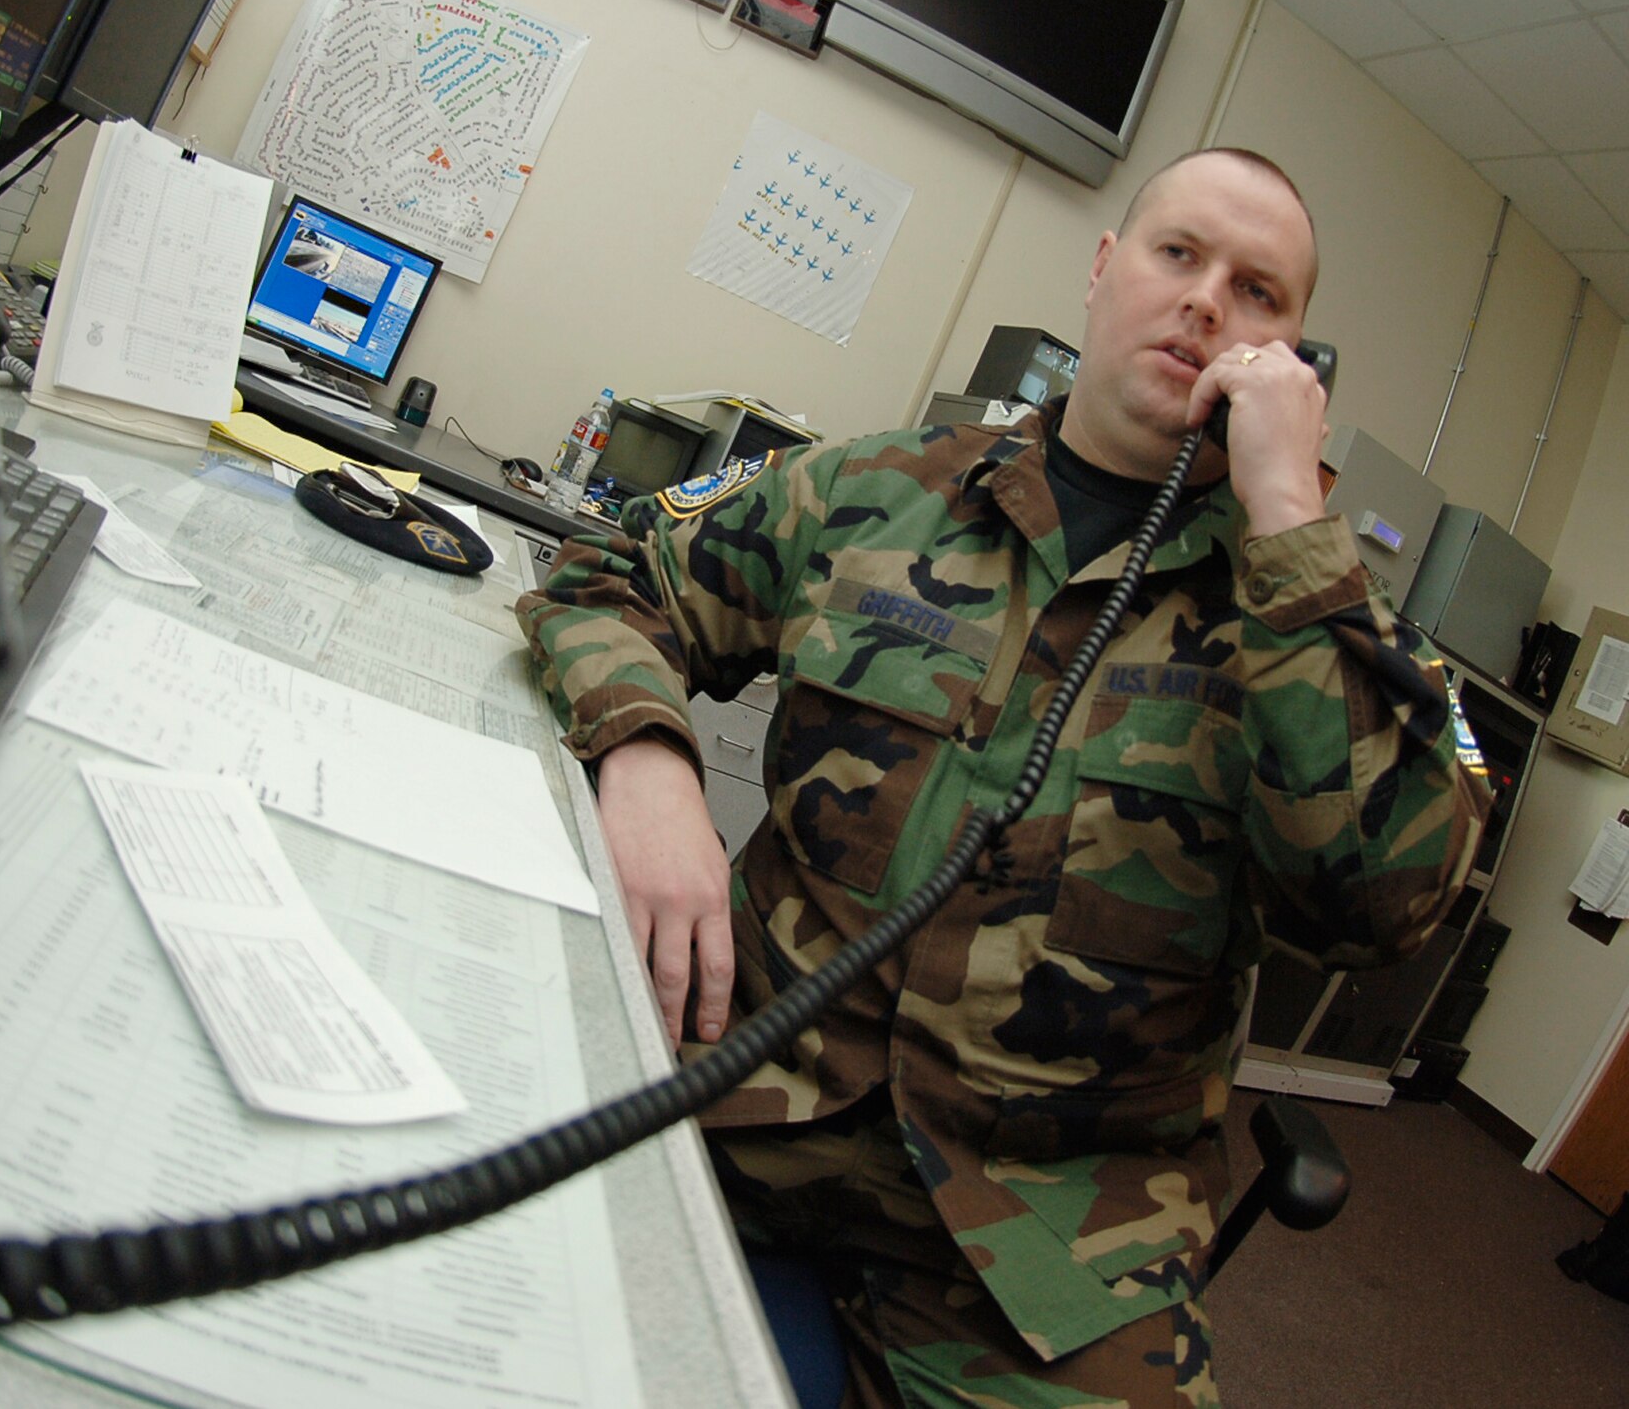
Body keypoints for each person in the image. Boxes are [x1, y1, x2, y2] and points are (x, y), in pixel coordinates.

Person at [516, 148, 1489, 1408]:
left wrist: (1287, 519)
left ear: (1294, 363)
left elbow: (1381, 907)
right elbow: (605, 574)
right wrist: (645, 763)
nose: (1204, 303)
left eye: (1258, 293)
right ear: (1102, 269)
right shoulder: (880, 491)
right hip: (741, 1096)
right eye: (1176, 254)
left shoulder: (1327, 630)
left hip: (1048, 1238)